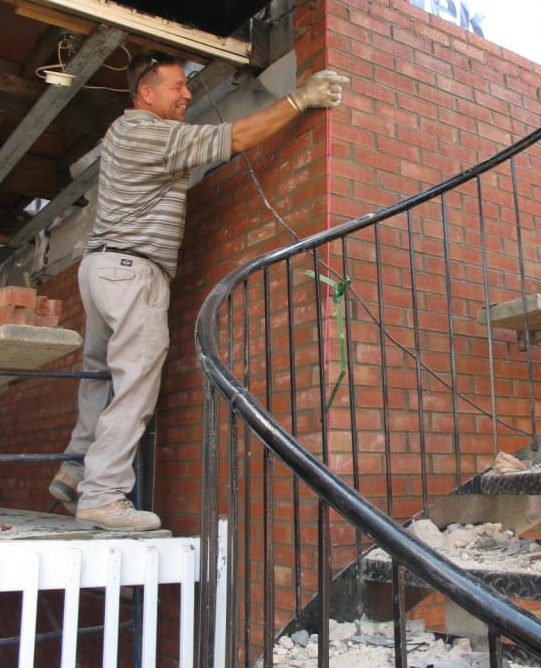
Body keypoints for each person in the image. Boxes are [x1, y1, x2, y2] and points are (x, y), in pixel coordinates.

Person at [50, 51, 348, 530]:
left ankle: (75, 471)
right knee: (136, 380)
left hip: (103, 269)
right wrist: (300, 99)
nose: (187, 94)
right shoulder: (150, 133)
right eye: (177, 86)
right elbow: (234, 138)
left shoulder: (123, 133)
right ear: (145, 92)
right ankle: (102, 494)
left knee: (100, 377)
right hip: (132, 270)